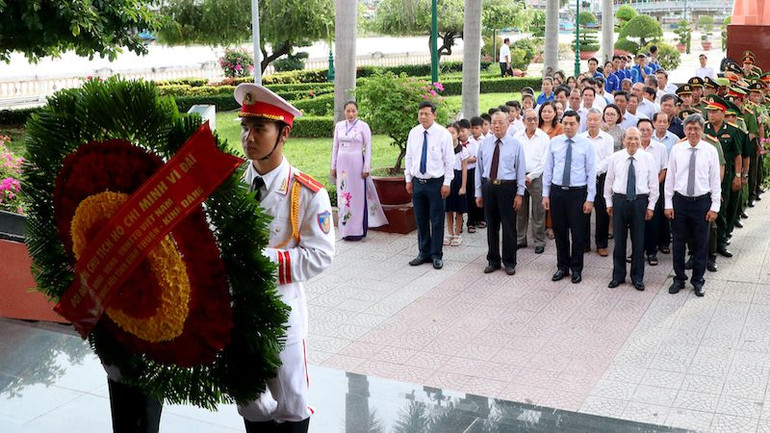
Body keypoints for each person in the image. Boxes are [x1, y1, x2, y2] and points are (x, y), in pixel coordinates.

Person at [236, 83, 335, 432]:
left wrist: (260, 260)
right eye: (245, 127)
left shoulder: (307, 192)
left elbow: (320, 256)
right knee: (250, 404)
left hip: (282, 314)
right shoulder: (231, 184)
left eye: (259, 128)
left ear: (284, 133)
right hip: (238, 314)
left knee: (290, 403)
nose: (249, 137)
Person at [665, 114, 721, 297]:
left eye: (696, 128)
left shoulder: (710, 150)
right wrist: (668, 203)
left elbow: (715, 181)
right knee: (679, 242)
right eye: (689, 128)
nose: (692, 132)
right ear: (684, 130)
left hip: (702, 203)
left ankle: (698, 280)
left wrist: (714, 207)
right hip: (680, 201)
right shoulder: (677, 150)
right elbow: (670, 179)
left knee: (701, 244)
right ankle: (679, 278)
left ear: (702, 130)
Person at [543, 111, 596, 284]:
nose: (568, 126)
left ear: (579, 125)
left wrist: (590, 198)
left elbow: (591, 172)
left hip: (577, 193)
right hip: (558, 192)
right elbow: (548, 169)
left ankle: (576, 268)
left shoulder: (586, 144)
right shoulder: (555, 142)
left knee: (578, 232)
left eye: (572, 123)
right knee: (560, 231)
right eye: (565, 123)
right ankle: (562, 266)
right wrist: (546, 194)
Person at [605, 127, 659, 291]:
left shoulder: (648, 158)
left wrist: (651, 206)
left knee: (638, 241)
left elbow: (654, 185)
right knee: (619, 241)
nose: (633, 142)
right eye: (629, 138)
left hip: (639, 202)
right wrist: (608, 202)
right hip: (620, 201)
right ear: (623, 140)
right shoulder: (615, 157)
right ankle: (618, 275)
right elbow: (609, 182)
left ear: (641, 140)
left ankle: (637, 277)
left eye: (636, 139)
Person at [404, 101, 454, 270]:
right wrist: (408, 179)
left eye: (426, 113)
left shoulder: (443, 134)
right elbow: (409, 157)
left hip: (436, 183)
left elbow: (449, 161)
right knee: (421, 218)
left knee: (437, 219)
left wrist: (447, 182)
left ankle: (436, 254)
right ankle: (423, 252)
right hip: (418, 182)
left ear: (434, 115)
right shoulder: (414, 133)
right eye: (420, 114)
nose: (423, 117)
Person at [475, 111, 526, 275]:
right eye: (494, 123)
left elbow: (520, 170)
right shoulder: (484, 144)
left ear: (508, 124)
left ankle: (509, 261)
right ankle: (493, 260)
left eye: (500, 123)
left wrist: (520, 193)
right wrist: (478, 192)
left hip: (507, 188)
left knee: (509, 226)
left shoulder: (515, 144)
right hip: (489, 187)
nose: (497, 126)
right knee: (491, 226)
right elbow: (479, 169)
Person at [331, 101, 388, 241]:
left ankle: (357, 230)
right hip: (342, 164)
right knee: (343, 196)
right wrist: (333, 166)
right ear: (344, 112)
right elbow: (335, 147)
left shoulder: (363, 126)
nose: (351, 114)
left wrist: (366, 167)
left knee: (356, 196)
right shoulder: (339, 126)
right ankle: (344, 229)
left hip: (357, 163)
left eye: (353, 111)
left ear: (357, 112)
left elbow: (368, 146)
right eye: (348, 111)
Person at [704, 95, 743, 259]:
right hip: (705, 177)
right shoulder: (704, 129)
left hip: (725, 176)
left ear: (723, 112)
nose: (711, 115)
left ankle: (721, 242)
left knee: (722, 208)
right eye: (709, 112)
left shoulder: (733, 130)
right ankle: (704, 244)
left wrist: (738, 175)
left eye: (715, 111)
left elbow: (738, 156)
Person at [515, 108, 550, 254]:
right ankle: (520, 238)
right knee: (520, 210)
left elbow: (544, 161)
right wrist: (520, 175)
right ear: (523, 121)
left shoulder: (543, 137)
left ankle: (539, 241)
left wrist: (532, 175)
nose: (533, 122)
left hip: (537, 177)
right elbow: (514, 157)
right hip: (520, 176)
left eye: (535, 119)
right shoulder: (517, 136)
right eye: (529, 119)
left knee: (538, 211)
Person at [580, 109, 614, 256]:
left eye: (596, 120)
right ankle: (585, 243)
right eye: (590, 119)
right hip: (583, 180)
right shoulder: (580, 138)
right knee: (584, 211)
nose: (593, 122)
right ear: (586, 121)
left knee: (602, 212)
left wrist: (595, 170)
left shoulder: (608, 138)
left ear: (601, 121)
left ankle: (601, 244)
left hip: (601, 178)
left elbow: (609, 159)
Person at [637, 119, 668, 266]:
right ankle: (637, 251)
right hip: (636, 192)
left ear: (653, 130)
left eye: (648, 129)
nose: (644, 132)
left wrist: (654, 185)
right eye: (641, 129)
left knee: (653, 222)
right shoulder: (632, 147)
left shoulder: (660, 148)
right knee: (636, 223)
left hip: (654, 190)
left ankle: (651, 252)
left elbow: (664, 169)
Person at [444, 123, 469, 246]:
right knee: (448, 209)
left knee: (459, 209)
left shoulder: (462, 151)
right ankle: (449, 233)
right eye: (447, 133)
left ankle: (457, 234)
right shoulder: (443, 149)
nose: (450, 135)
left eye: (453, 133)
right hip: (447, 179)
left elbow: (464, 169)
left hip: (458, 179)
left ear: (458, 134)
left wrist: (463, 186)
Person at [464, 118, 484, 232]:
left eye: (476, 128)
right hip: (470, 172)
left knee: (481, 194)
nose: (474, 130)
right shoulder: (469, 141)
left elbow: (477, 158)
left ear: (481, 128)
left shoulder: (486, 140)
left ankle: (482, 218)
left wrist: (468, 159)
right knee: (470, 196)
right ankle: (471, 221)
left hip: (481, 170)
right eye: (472, 128)